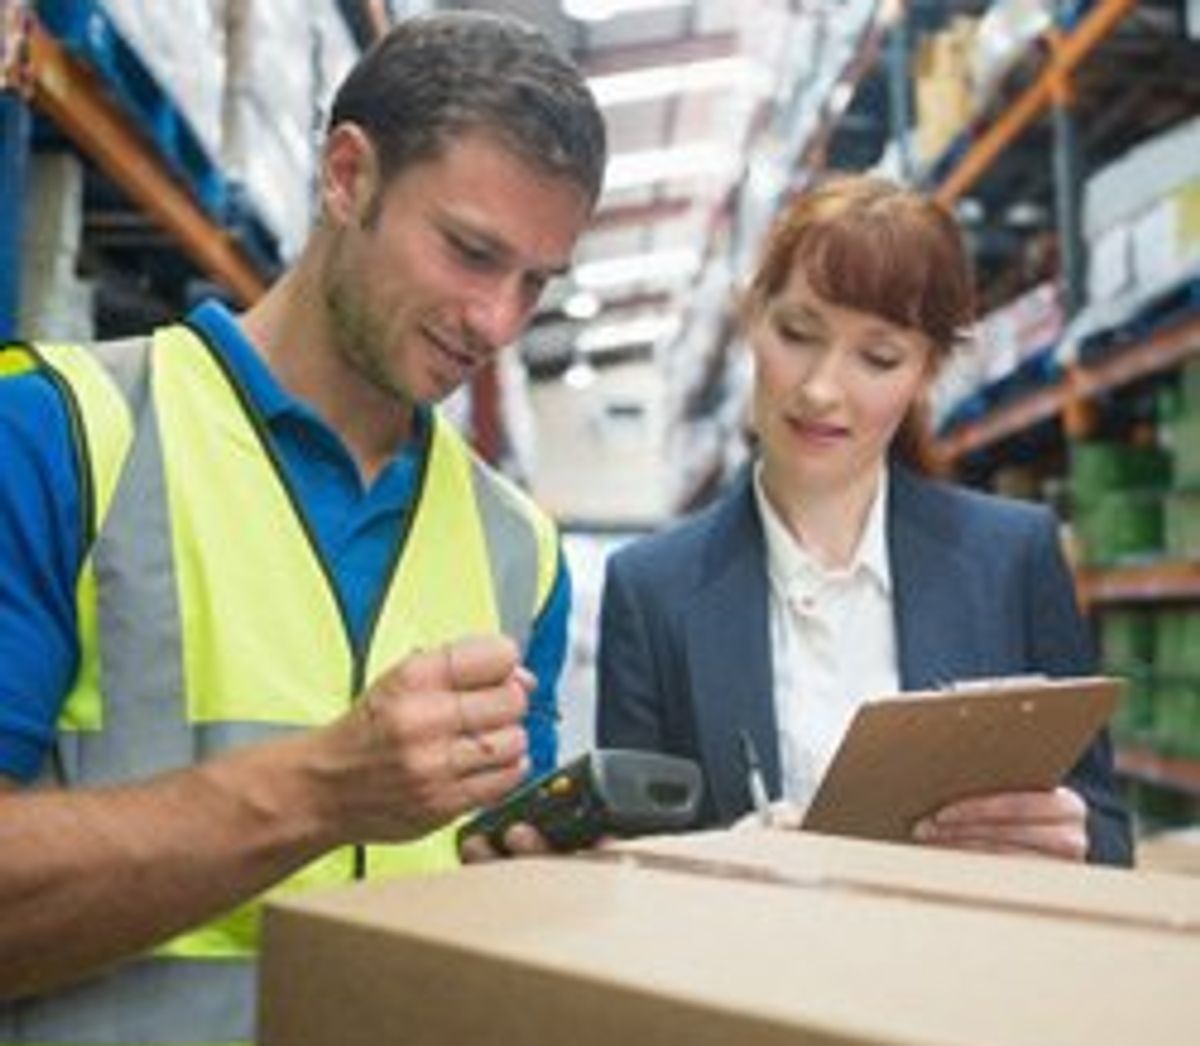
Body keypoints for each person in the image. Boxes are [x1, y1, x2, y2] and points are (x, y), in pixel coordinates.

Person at [0, 11, 606, 1039]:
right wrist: (324, 789)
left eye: (535, 283)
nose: (497, 322)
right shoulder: (59, 434)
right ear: (346, 174)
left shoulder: (523, 552)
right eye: (469, 252)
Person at [597, 175, 1132, 866]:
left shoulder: (1012, 558)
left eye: (878, 358)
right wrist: (715, 864)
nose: (821, 389)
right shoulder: (652, 590)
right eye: (796, 333)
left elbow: (1111, 838)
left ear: (924, 373)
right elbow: (626, 867)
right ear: (752, 318)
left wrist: (1072, 838)